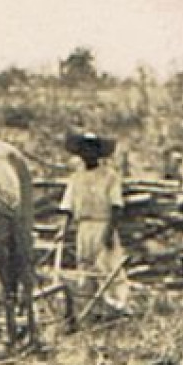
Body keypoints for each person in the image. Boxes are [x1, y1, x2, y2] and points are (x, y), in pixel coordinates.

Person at [59, 132, 130, 318]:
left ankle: (116, 307)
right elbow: (67, 207)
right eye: (84, 149)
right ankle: (90, 310)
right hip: (83, 228)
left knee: (107, 267)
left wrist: (108, 233)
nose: (88, 153)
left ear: (99, 153)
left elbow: (116, 207)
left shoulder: (110, 176)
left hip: (102, 225)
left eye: (92, 148)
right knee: (85, 268)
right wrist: (62, 231)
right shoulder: (76, 177)